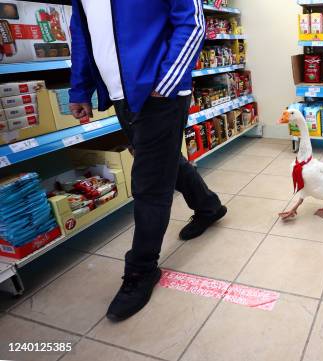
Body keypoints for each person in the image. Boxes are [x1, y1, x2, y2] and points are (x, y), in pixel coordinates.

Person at [69, 0, 227, 322]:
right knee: (162, 161)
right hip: (120, 96)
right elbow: (83, 33)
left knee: (149, 184)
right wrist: (80, 89)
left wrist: (166, 80)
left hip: (159, 92)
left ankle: (141, 271)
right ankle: (209, 207)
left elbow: (192, 21)